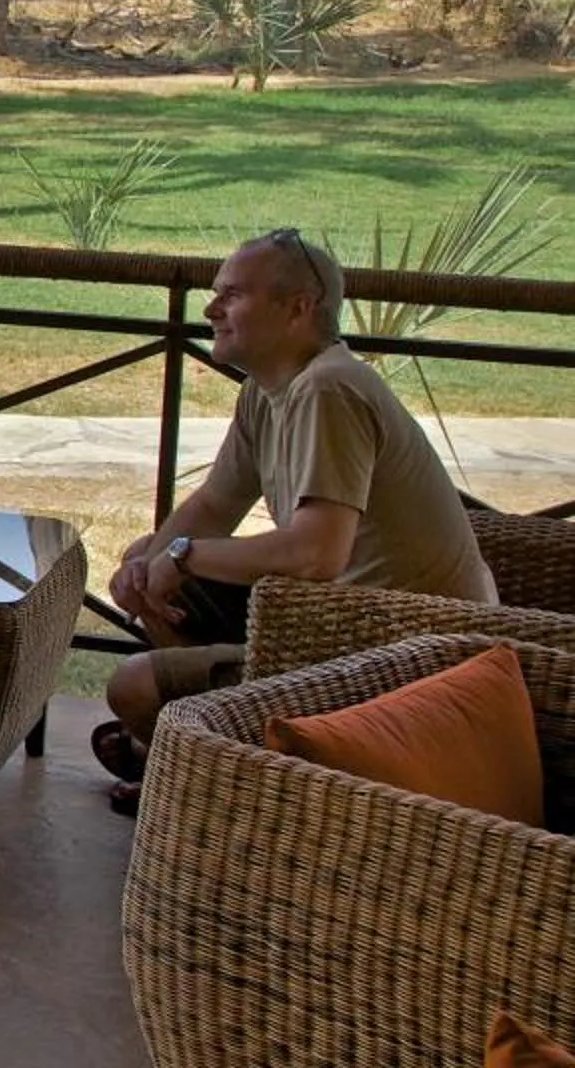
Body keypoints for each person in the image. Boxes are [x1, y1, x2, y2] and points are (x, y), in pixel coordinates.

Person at [97, 227, 498, 814]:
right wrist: (147, 564)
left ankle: (216, 782)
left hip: (396, 655)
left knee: (129, 685)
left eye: (232, 294)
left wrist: (180, 556)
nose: (210, 308)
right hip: (329, 620)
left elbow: (317, 552)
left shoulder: (329, 390)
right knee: (158, 563)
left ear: (298, 309)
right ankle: (206, 762)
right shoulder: (270, 391)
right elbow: (213, 505)